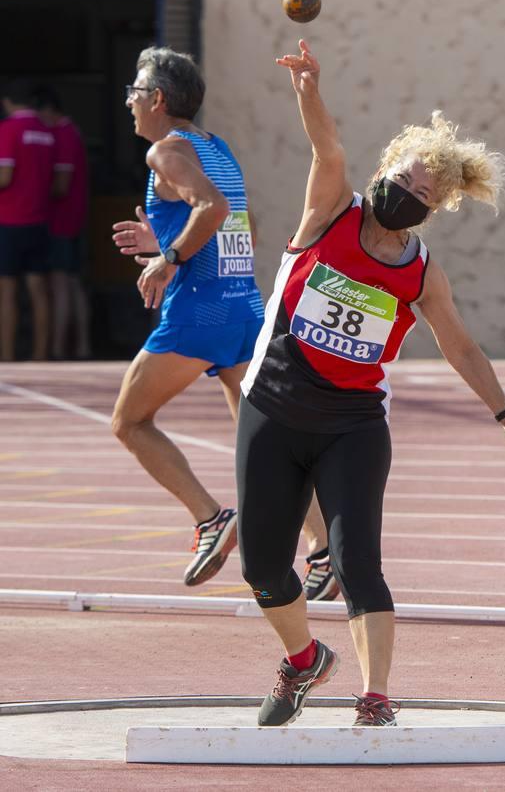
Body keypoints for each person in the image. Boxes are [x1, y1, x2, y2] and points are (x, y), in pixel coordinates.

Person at [235, 39, 505, 728]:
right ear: (384, 168)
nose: (406, 196)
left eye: (422, 195)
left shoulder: (419, 272)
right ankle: (303, 659)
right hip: (274, 408)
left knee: (359, 563)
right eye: (403, 180)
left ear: (434, 209)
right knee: (262, 568)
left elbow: (460, 346)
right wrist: (308, 89)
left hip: (352, 427)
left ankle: (375, 695)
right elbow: (326, 148)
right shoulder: (332, 210)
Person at [111, 47, 337, 595]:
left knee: (130, 422)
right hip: (244, 308)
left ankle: (210, 518)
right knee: (261, 438)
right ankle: (324, 550)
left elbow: (210, 209)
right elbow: (243, 224)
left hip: (200, 313)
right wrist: (167, 238)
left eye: (134, 92)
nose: (129, 102)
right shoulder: (216, 147)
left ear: (157, 99)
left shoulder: (165, 152)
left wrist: (170, 257)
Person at [33, 85, 91, 360]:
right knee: (72, 283)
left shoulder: (64, 134)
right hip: (71, 219)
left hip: (63, 220)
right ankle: (81, 345)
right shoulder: (71, 132)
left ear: (48, 110)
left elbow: (61, 185)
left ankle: (59, 347)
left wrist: (34, 192)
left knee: (61, 283)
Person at [0, 79, 55, 361]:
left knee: (7, 291)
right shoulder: (47, 132)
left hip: (9, 221)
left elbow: (4, 177)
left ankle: (7, 357)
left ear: (7, 102)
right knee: (39, 291)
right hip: (39, 220)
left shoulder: (7, 130)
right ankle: (40, 354)